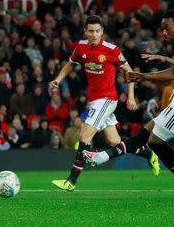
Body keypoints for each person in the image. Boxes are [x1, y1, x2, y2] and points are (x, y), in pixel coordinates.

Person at [83, 9, 174, 199]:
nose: (164, 33)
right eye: (163, 29)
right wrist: (142, 77)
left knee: (152, 138)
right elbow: (173, 74)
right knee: (152, 139)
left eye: (167, 29)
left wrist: (165, 59)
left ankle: (104, 156)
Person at [50, 15, 159, 192]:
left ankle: (71, 180)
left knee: (84, 136)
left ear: (102, 32)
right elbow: (70, 64)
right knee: (114, 141)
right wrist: (58, 79)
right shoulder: (81, 47)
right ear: (85, 31)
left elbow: (130, 72)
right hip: (95, 101)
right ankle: (148, 154)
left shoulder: (112, 50)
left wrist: (130, 96)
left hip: (107, 99)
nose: (94, 34)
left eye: (97, 31)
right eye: (91, 31)